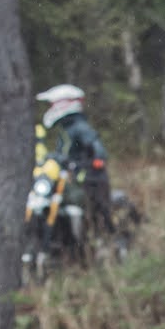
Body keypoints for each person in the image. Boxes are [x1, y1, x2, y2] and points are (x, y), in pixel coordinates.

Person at [35, 84, 114, 233]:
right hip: (71, 178)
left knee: (98, 209)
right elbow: (63, 153)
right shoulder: (65, 130)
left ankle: (109, 238)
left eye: (52, 104)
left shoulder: (80, 127)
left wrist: (97, 159)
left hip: (90, 178)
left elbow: (97, 147)